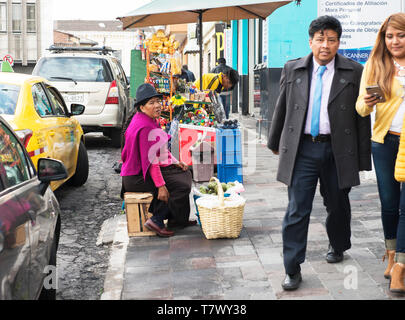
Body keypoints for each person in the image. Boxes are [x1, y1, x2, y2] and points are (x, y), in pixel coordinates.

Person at [267, 15, 372, 291]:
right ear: (311, 41)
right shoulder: (293, 69)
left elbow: (362, 118)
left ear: (338, 42)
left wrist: (362, 157)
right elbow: (282, 106)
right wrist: (275, 141)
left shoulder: (354, 72)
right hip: (302, 149)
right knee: (297, 209)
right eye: (320, 39)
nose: (325, 45)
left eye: (332, 40)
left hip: (338, 150)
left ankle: (338, 245)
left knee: (337, 204)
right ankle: (292, 267)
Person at [355, 13, 405, 294]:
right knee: (389, 202)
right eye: (390, 36)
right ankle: (390, 252)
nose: (395, 41)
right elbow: (360, 109)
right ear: (383, 39)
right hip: (384, 142)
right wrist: (367, 101)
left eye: (400, 35)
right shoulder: (375, 64)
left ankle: (400, 266)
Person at [120, 83, 195, 237]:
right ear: (141, 107)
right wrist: (161, 186)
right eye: (151, 103)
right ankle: (157, 220)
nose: (157, 106)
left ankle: (177, 219)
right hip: (137, 177)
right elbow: (152, 162)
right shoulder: (144, 126)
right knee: (180, 185)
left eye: (158, 101)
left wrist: (175, 162)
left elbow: (161, 150)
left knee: (185, 174)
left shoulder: (149, 120)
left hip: (142, 172)